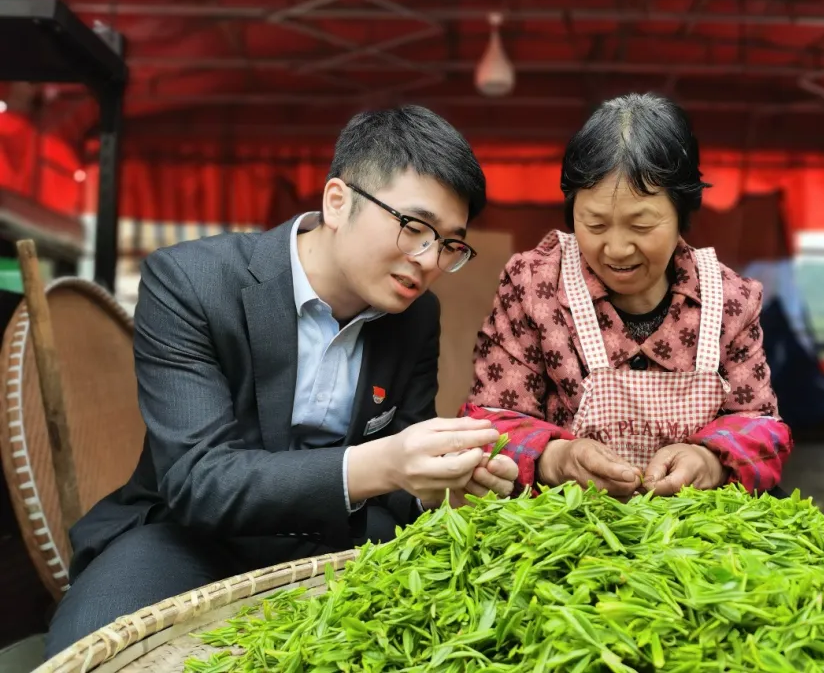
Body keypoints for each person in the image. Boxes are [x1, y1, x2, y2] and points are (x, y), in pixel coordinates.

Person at [45, 106, 519, 657]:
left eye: (450, 244)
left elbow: (401, 477)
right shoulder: (191, 282)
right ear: (337, 202)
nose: (429, 259)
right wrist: (386, 462)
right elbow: (199, 479)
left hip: (344, 536)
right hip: (189, 534)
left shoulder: (416, 317)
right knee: (92, 646)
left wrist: (439, 488)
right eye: (414, 228)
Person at [463, 92, 792, 499]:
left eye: (641, 225)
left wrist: (709, 461)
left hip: (695, 540)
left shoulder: (730, 299)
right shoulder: (533, 287)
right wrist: (556, 458)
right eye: (595, 225)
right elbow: (490, 422)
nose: (617, 249)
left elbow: (761, 425)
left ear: (680, 216)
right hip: (566, 529)